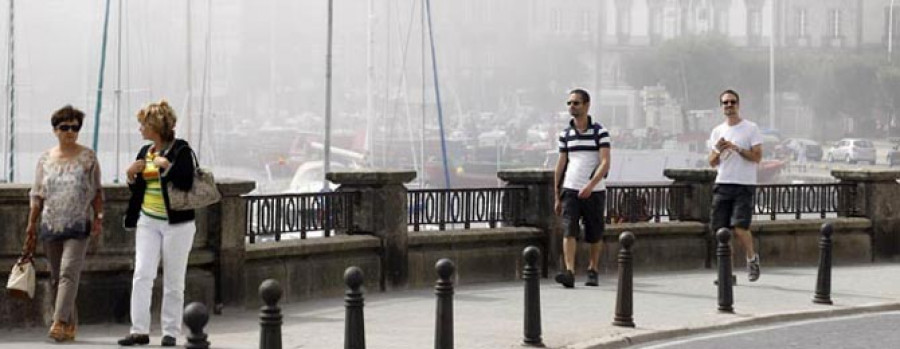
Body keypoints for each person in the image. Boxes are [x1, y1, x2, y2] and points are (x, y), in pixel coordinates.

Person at [118, 100, 197, 347]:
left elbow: (186, 182)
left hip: (177, 225)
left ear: (156, 126)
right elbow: (139, 189)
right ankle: (139, 330)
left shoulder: (181, 150)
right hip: (148, 221)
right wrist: (131, 175)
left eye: (143, 124)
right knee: (142, 273)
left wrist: (168, 167)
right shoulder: (145, 153)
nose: (140, 129)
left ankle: (170, 332)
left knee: (174, 280)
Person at [25, 105, 103, 342]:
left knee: (69, 272)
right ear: (55, 130)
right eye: (65, 127)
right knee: (57, 277)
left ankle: (58, 322)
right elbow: (37, 194)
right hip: (50, 224)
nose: (70, 132)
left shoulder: (88, 157)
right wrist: (31, 225)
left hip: (78, 225)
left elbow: (97, 191)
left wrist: (99, 217)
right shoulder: (45, 159)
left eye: (75, 127)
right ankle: (70, 325)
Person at [553, 89, 611, 288]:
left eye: (576, 103)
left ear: (587, 105)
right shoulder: (565, 135)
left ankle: (592, 269)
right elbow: (561, 164)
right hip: (570, 189)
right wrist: (557, 195)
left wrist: (590, 185)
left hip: (593, 191)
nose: (572, 106)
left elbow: (605, 162)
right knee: (569, 230)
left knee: (594, 232)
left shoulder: (600, 132)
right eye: (569, 103)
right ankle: (569, 271)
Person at [708, 89, 763, 282]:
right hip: (723, 184)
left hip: (743, 184)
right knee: (721, 231)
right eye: (725, 103)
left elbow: (757, 157)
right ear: (721, 107)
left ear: (738, 105)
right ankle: (726, 273)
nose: (729, 106)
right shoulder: (717, 131)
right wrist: (719, 150)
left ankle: (752, 258)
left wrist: (738, 149)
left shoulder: (751, 128)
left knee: (740, 227)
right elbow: (712, 162)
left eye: (732, 102)